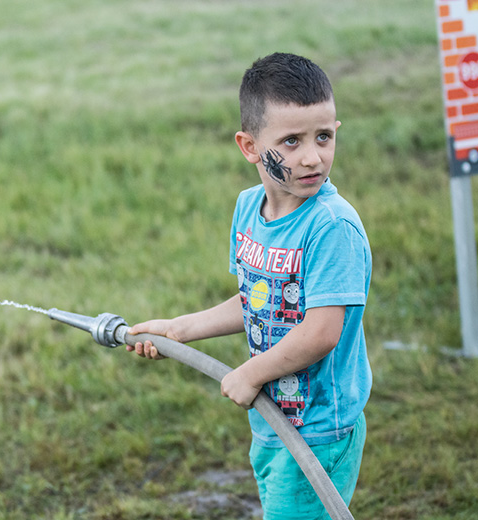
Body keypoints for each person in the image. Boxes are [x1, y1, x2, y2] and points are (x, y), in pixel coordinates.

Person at [127, 52, 372, 519]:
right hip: (273, 419)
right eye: (291, 140)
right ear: (250, 146)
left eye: (323, 136)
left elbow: (322, 332)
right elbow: (257, 302)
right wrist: (179, 329)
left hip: (319, 428)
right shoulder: (248, 210)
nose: (312, 156)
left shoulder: (331, 227)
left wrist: (252, 372)